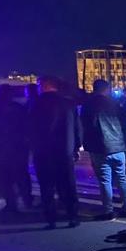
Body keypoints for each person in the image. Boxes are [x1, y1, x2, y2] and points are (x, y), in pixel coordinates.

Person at [30, 76, 81, 228]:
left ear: (45, 86)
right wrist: (76, 147)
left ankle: (51, 218)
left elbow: (29, 129)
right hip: (64, 151)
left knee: (47, 186)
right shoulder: (68, 103)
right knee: (68, 185)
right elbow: (77, 128)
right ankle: (72, 216)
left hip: (43, 152)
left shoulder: (36, 104)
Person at [81, 79, 126, 220]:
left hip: (101, 148)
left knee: (105, 180)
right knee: (122, 178)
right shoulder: (115, 104)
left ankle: (108, 211)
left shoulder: (89, 105)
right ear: (107, 89)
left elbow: (87, 126)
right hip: (119, 146)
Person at [0, 84, 33, 212]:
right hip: (19, 146)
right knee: (21, 174)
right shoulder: (19, 108)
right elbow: (28, 126)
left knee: (5, 177)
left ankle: (11, 203)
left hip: (3, 147)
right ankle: (27, 200)